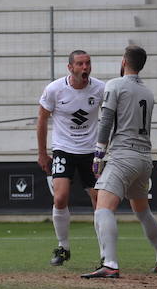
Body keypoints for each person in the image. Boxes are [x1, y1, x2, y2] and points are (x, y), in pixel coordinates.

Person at [81, 45, 157, 278]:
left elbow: (107, 120)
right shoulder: (148, 93)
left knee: (103, 208)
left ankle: (110, 263)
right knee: (143, 211)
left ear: (123, 62)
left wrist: (99, 154)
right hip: (144, 158)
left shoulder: (115, 85)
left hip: (123, 155)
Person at [37, 50, 106, 266]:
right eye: (80, 64)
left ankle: (106, 254)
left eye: (87, 63)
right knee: (60, 198)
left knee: (99, 201)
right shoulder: (54, 90)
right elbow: (41, 120)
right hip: (63, 150)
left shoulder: (100, 89)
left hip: (90, 152)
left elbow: (112, 116)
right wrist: (42, 153)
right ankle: (63, 246)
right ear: (70, 68)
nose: (85, 68)